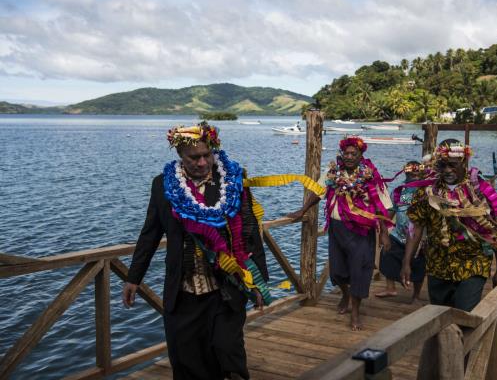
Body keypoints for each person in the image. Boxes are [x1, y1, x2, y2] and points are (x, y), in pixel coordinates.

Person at [121, 122, 270, 380]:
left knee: (228, 351)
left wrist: (258, 283)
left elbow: (249, 232)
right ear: (179, 155)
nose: (202, 163)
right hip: (184, 290)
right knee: (188, 358)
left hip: (226, 286)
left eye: (207, 155)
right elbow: (150, 234)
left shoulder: (233, 180)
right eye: (194, 158)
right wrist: (134, 277)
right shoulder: (162, 186)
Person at [287, 136, 393, 330]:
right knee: (337, 270)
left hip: (361, 232)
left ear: (361, 155)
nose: (350, 156)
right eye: (347, 153)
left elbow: (383, 206)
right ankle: (345, 294)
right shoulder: (333, 172)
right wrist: (302, 211)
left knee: (359, 271)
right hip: (338, 229)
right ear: (342, 154)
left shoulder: (370, 175)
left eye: (354, 153)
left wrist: (384, 233)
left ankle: (355, 313)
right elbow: (318, 192)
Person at [400, 139, 497, 312]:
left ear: (464, 162)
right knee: (438, 317)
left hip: (473, 263)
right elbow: (415, 228)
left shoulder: (480, 191)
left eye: (453, 165)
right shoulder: (426, 192)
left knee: (465, 314)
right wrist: (406, 262)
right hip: (437, 265)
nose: (448, 170)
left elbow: (496, 230)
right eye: (442, 165)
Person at [375, 161, 427, 303]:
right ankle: (390, 288)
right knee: (387, 254)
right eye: (411, 171)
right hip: (399, 234)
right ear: (405, 172)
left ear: (422, 173)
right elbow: (390, 212)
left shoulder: (427, 191)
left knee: (418, 265)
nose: (414, 174)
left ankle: (416, 295)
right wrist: (383, 232)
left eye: (417, 171)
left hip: (420, 237)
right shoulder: (400, 191)